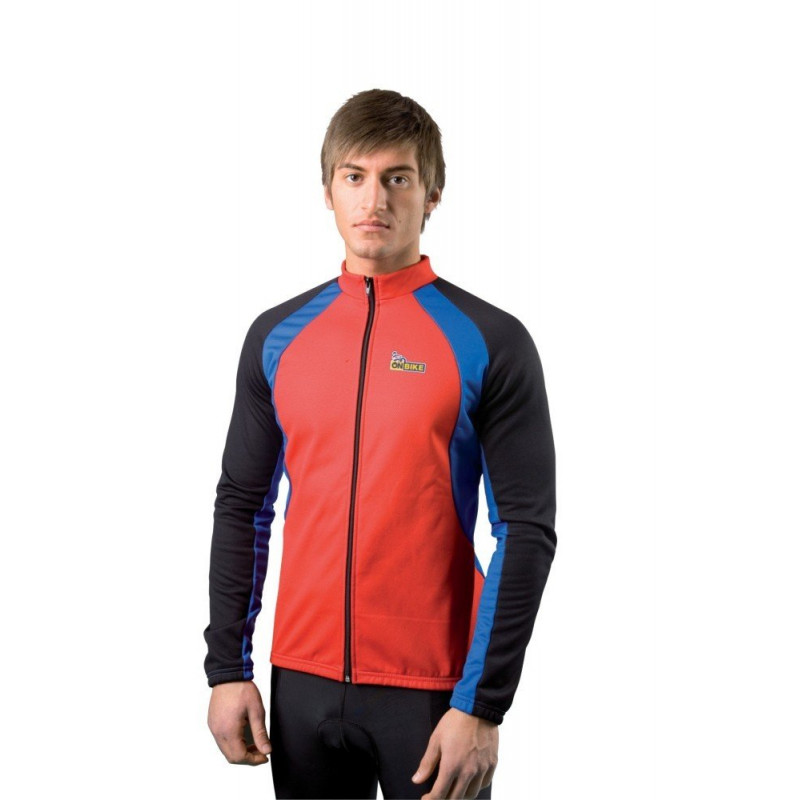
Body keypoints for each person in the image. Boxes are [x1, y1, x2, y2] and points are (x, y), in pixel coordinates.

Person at [203, 88, 557, 799]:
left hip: (433, 694)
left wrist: (482, 704)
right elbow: (242, 505)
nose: (374, 200)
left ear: (432, 195)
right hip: (300, 685)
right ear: (327, 190)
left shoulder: (489, 340)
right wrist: (228, 670)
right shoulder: (277, 337)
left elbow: (526, 530)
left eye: (398, 178)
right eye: (354, 176)